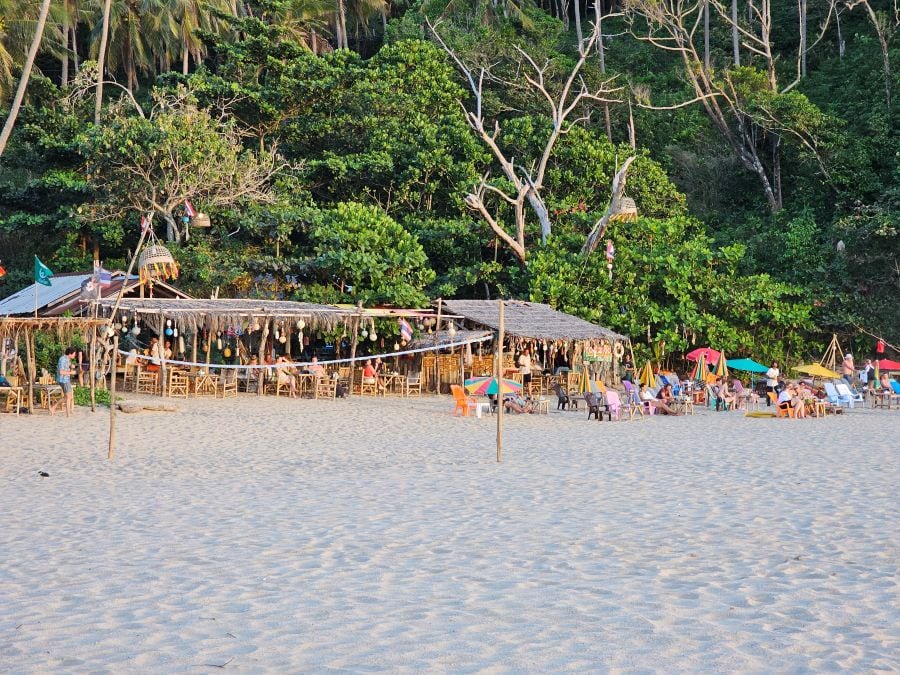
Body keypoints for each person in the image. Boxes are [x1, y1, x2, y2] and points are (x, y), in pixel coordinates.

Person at [54, 346, 77, 417]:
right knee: (68, 397)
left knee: (67, 397)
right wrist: (71, 373)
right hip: (63, 380)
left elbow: (67, 366)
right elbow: (61, 372)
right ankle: (68, 414)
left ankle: (53, 407)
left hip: (65, 380)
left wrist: (71, 366)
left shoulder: (67, 359)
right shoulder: (63, 359)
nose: (74, 355)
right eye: (74, 354)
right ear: (70, 354)